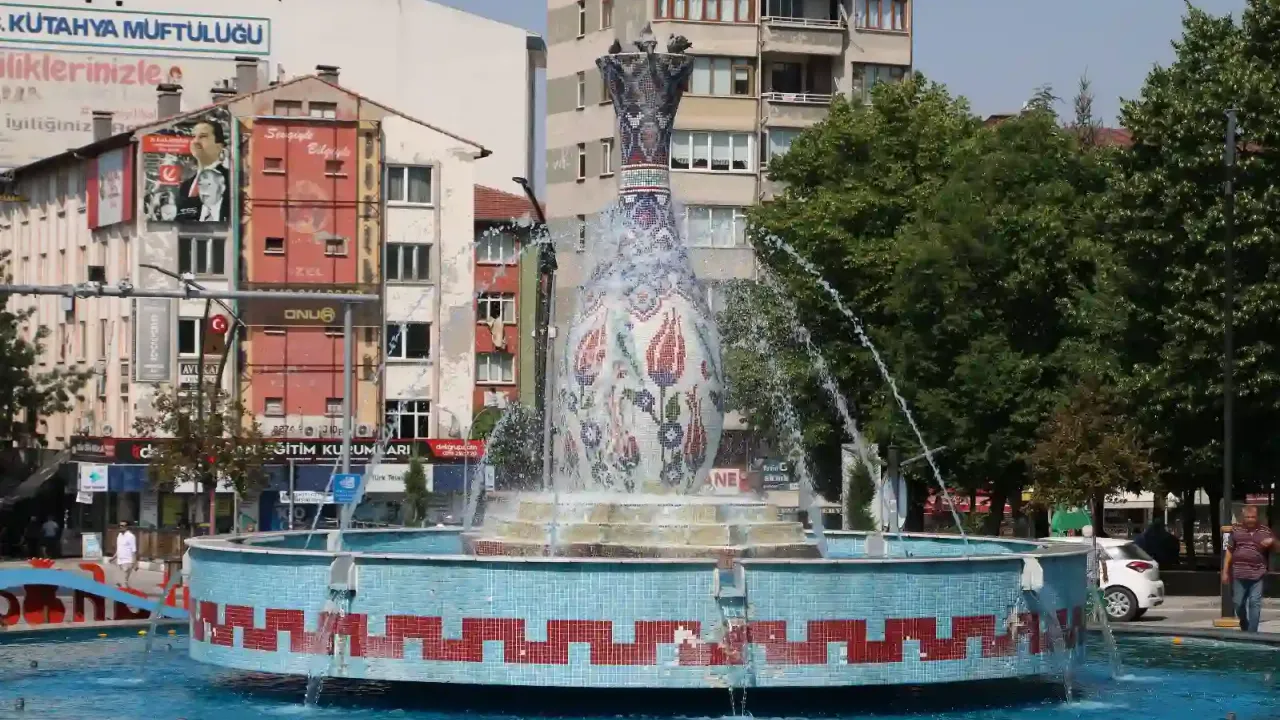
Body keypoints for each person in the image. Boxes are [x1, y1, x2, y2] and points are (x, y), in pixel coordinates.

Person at [1222, 506, 1275, 632]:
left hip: (1258, 574)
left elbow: (1277, 547)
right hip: (1239, 573)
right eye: (1248, 517)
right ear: (1243, 518)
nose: (1250, 520)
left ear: (1257, 517)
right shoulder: (1236, 530)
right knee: (1238, 603)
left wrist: (1272, 541)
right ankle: (1244, 623)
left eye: (1253, 517)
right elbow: (1229, 551)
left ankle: (1252, 634)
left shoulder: (1265, 531)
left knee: (1254, 603)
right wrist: (1225, 571)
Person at [175, 117, 230, 223]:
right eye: (193, 137)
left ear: (219, 146)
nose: (195, 141)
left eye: (203, 136)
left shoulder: (230, 181)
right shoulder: (185, 186)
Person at [112, 521, 138, 588]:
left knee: (123, 581)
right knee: (118, 583)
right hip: (119, 561)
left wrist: (135, 563)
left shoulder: (131, 536)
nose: (121, 527)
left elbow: (134, 550)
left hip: (127, 561)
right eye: (120, 525)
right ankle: (127, 591)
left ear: (127, 527)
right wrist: (113, 558)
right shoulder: (119, 535)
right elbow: (119, 549)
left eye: (123, 526)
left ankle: (127, 592)